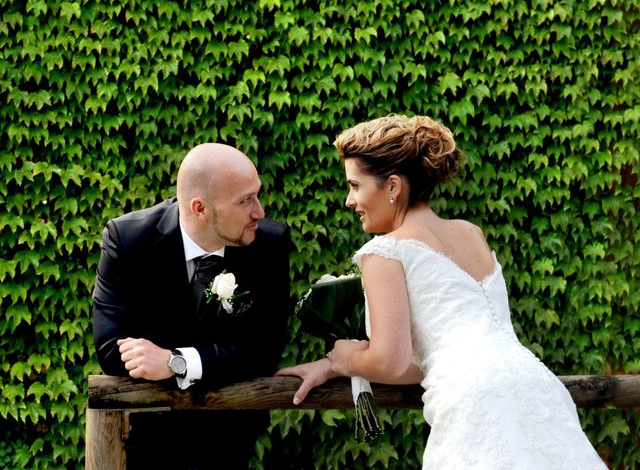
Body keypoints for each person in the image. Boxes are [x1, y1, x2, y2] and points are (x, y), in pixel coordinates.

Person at [276, 115, 607, 469]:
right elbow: (425, 361)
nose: (349, 200)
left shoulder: (383, 251)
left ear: (392, 187)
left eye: (355, 186)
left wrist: (342, 358)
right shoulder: (470, 233)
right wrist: (334, 368)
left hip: (474, 401)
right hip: (538, 387)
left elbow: (391, 360)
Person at [92, 143, 292, 469]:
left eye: (256, 195)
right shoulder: (128, 240)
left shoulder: (269, 244)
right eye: (245, 200)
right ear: (201, 208)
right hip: (148, 433)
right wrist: (220, 357)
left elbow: (265, 347)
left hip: (232, 437)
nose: (260, 211)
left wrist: (176, 362)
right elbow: (111, 348)